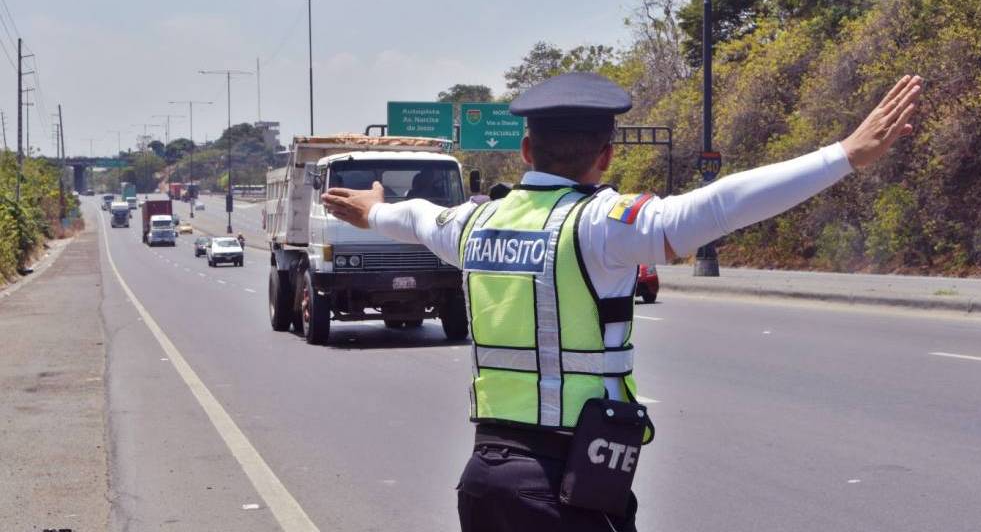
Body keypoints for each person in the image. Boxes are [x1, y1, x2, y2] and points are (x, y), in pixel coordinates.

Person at [321, 71, 922, 531]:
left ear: (526, 152)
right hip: (567, 485)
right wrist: (842, 155)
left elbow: (419, 217)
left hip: (484, 479)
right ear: (607, 155)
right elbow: (718, 205)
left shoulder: (476, 225)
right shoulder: (600, 225)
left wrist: (374, 210)